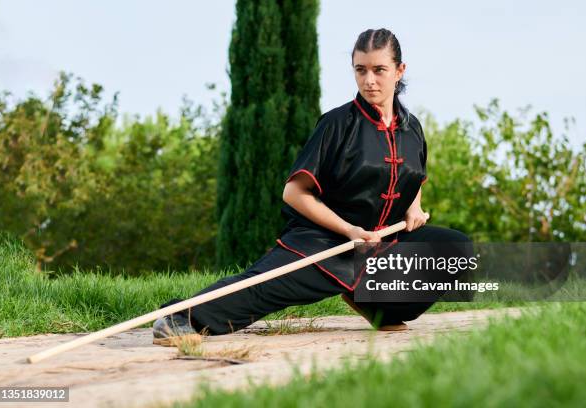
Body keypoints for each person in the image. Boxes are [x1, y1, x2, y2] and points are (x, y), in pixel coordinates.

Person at [153, 28, 473, 344]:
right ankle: (182, 317)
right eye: (360, 70)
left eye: (379, 70)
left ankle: (376, 305)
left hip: (383, 243)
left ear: (399, 71)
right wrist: (349, 230)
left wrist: (413, 207)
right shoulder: (336, 124)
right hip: (325, 242)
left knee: (455, 249)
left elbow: (413, 177)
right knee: (263, 285)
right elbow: (294, 193)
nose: (369, 80)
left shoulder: (411, 128)